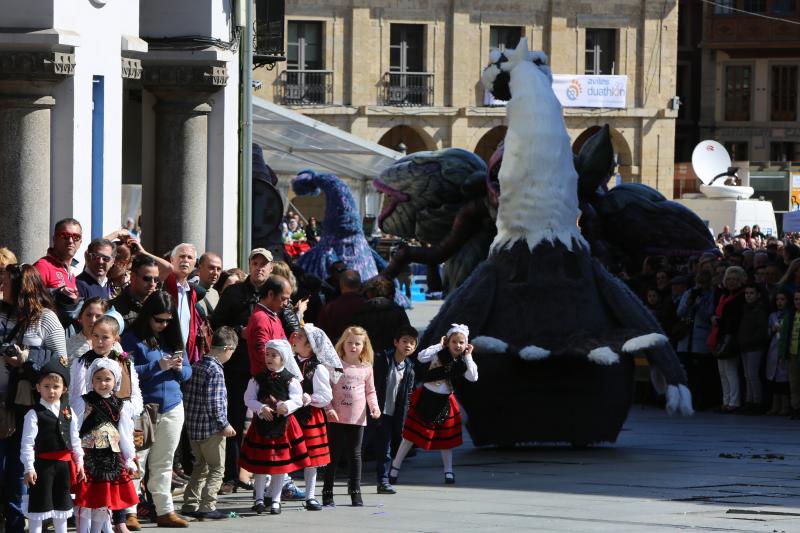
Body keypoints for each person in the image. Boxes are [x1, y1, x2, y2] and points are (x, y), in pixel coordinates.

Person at [1, 264, 68, 533]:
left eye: (5, 281)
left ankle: (23, 523)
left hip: (28, 402)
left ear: (20, 287)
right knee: (6, 465)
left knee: (20, 463)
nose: (1, 286)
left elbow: (61, 362)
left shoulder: (46, 318)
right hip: (4, 401)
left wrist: (27, 358)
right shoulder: (2, 313)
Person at [121, 291, 191, 528]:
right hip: (144, 408)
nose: (163, 325)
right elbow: (126, 373)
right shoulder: (131, 338)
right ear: (148, 316)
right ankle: (129, 510)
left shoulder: (172, 338)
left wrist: (180, 368)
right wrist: (157, 365)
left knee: (164, 462)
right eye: (158, 320)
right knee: (136, 459)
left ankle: (164, 510)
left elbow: (189, 372)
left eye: (167, 320)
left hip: (172, 406)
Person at [210, 248, 273, 493]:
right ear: (249, 265)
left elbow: (286, 321)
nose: (259, 268)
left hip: (267, 366)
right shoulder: (235, 292)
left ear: (270, 267)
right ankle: (232, 474)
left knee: (267, 418)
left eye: (263, 264)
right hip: (237, 364)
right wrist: (239, 330)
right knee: (234, 418)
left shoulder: (274, 291)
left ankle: (264, 474)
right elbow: (216, 323)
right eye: (255, 263)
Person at [390, 324, 479, 485]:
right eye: (454, 342)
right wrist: (439, 345)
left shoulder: (463, 362)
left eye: (461, 342)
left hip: (445, 401)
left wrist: (468, 356)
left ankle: (448, 472)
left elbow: (473, 377)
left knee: (446, 441)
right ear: (448, 342)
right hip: (425, 397)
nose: (457, 345)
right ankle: (395, 468)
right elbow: (421, 357)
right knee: (409, 436)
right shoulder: (439, 354)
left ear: (466, 344)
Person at [238, 340, 307, 515]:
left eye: (273, 355)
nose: (269, 358)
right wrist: (261, 408)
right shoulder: (257, 379)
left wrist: (287, 406)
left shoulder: (290, 379)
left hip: (283, 427)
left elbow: (298, 399)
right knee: (260, 465)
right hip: (262, 426)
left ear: (283, 358)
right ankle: (259, 499)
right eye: (267, 354)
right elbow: (248, 398)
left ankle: (276, 500)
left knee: (279, 466)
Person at [72, 359, 139, 533]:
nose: (103, 383)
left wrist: (130, 458)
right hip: (89, 458)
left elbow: (124, 435)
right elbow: (75, 430)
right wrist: (76, 455)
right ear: (91, 380)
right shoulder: (84, 402)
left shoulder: (122, 406)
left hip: (111, 459)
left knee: (104, 501)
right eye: (98, 379)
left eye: (107, 379)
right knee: (86, 501)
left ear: (115, 380)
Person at [180, 327, 238, 521]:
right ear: (228, 348)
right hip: (211, 429)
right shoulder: (215, 370)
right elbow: (214, 403)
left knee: (200, 466)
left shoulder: (197, 365)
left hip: (193, 427)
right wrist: (224, 424)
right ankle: (208, 505)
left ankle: (190, 503)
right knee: (216, 468)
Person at [20, 359, 84, 533]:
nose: (51, 391)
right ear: (38, 387)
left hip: (64, 467)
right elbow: (27, 443)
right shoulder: (34, 413)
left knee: (62, 509)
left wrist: (79, 463)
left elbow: (75, 440)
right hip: (42, 467)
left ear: (64, 389)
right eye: (46, 386)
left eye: (56, 387)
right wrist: (29, 467)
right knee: (39, 508)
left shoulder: (68, 412)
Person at [322, 326, 380, 508]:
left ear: (364, 346)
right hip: (336, 417)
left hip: (357, 418)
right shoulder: (336, 365)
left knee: (355, 455)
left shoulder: (366, 368)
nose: (353, 346)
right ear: (343, 344)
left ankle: (355, 491)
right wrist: (328, 408)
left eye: (358, 343)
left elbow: (371, 391)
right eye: (350, 343)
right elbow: (326, 389)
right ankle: (327, 492)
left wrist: (375, 408)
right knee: (333, 455)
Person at [291, 324, 340, 511]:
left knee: (312, 459)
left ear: (310, 346)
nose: (295, 339)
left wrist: (309, 398)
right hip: (289, 414)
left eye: (300, 338)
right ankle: (274, 493)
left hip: (309, 415)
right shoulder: (289, 361)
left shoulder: (317, 368)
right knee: (283, 453)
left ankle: (310, 496)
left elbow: (326, 395)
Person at [365, 325, 417, 495]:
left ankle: (383, 481)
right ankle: (352, 478)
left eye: (412, 343)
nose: (408, 345)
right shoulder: (382, 359)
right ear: (396, 342)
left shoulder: (409, 367)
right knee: (359, 446)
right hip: (371, 410)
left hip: (390, 414)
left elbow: (408, 394)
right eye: (404, 341)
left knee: (385, 450)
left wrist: (404, 417)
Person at [708, 266, 746, 413]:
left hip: (731, 337)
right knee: (723, 372)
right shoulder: (723, 296)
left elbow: (735, 319)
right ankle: (726, 400)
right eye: (729, 279)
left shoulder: (740, 297)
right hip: (720, 335)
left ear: (741, 280)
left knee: (730, 371)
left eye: (735, 279)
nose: (731, 282)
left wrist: (719, 320)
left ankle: (734, 402)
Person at [34, 218, 84, 326]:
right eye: (64, 235)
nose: (70, 241)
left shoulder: (71, 272)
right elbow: (28, 298)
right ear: (54, 239)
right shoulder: (43, 265)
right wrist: (57, 292)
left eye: (76, 237)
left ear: (80, 242)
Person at [245, 276, 291, 377]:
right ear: (270, 294)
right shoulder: (261, 318)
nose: (286, 304)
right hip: (267, 381)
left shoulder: (273, 316)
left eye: (288, 300)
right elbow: (264, 355)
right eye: (283, 299)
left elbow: (285, 347)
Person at [351, 277, 410, 353]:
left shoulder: (359, 312)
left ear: (369, 294)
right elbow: (408, 336)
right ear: (392, 294)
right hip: (392, 356)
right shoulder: (398, 311)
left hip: (366, 356)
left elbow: (352, 337)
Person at [738, 283, 769, 414]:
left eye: (751, 293)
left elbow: (761, 331)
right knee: (747, 375)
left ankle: (757, 402)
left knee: (753, 375)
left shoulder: (759, 310)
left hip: (755, 347)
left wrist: (749, 341)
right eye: (746, 293)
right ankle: (749, 401)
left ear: (758, 295)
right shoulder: (746, 309)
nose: (748, 296)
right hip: (745, 346)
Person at [111, 255, 160, 329]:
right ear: (133, 277)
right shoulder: (114, 308)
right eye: (147, 278)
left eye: (156, 279)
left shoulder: (160, 306)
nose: (152, 283)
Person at [317, 270, 365, 343]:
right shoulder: (368, 306)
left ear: (341, 284)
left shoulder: (330, 309)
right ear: (360, 284)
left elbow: (321, 336)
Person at [766, 289, 791, 416]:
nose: (779, 302)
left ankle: (785, 406)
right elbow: (767, 333)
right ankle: (775, 405)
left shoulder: (789, 315)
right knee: (774, 378)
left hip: (784, 350)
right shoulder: (772, 316)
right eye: (777, 299)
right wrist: (772, 329)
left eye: (782, 299)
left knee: (784, 378)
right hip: (773, 349)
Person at [67, 298, 114, 365]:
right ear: (80, 318)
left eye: (98, 316)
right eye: (89, 315)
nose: (93, 320)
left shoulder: (113, 345)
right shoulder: (69, 345)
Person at [195, 252, 222, 319]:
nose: (215, 273)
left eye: (218, 269)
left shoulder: (215, 293)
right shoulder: (190, 290)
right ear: (199, 268)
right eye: (211, 268)